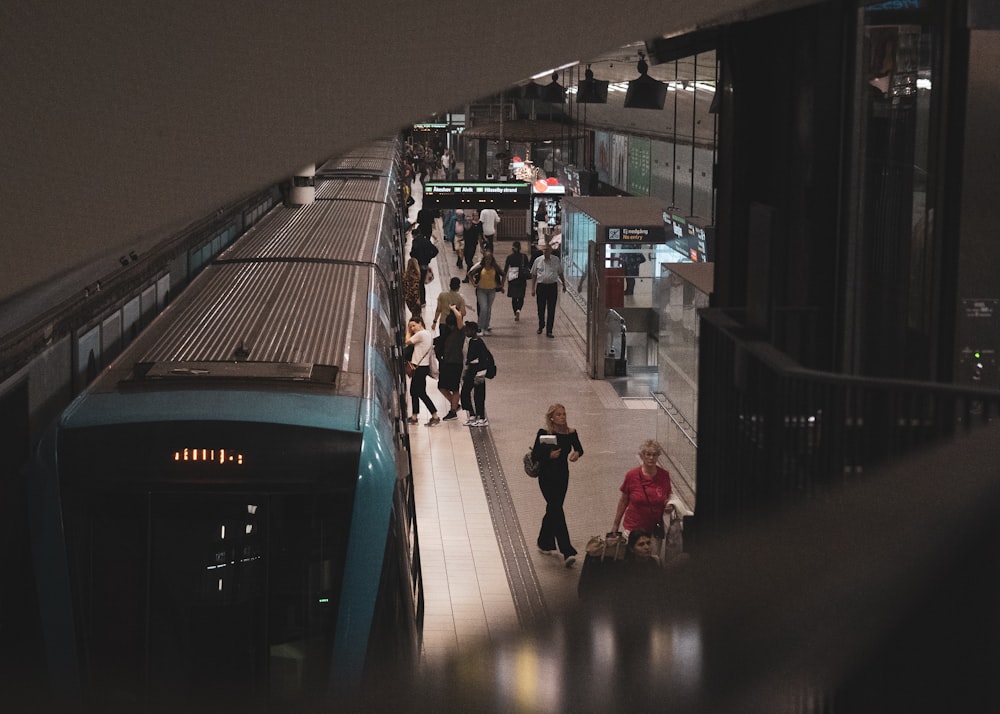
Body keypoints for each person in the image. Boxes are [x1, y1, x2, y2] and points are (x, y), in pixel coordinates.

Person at [532, 403, 583, 566]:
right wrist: (549, 455)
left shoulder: (571, 433)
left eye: (564, 414)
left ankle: (544, 541)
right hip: (546, 476)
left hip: (562, 476)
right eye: (559, 414)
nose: (562, 417)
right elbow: (535, 454)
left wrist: (576, 454)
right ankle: (567, 550)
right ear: (552, 418)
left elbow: (579, 449)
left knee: (553, 509)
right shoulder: (544, 433)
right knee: (556, 509)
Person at [612, 439, 673, 562]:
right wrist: (615, 524)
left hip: (654, 529)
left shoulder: (664, 475)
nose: (651, 458)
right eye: (648, 454)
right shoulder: (632, 475)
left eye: (654, 454)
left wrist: (669, 506)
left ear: (658, 456)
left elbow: (668, 496)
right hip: (633, 529)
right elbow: (623, 500)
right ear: (642, 456)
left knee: (652, 560)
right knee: (631, 562)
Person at [404, 316, 440, 426]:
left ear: (420, 323)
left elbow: (407, 341)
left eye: (414, 325)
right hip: (421, 367)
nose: (412, 328)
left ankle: (435, 416)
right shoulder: (427, 333)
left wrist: (408, 331)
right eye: (411, 326)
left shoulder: (421, 334)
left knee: (420, 393)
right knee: (414, 391)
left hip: (419, 368)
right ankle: (414, 416)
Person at [460, 321, 493, 426]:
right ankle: (472, 414)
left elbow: (484, 358)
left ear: (473, 331)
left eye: (468, 330)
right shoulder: (471, 342)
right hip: (471, 369)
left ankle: (482, 417)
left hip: (479, 370)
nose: (466, 332)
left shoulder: (479, 343)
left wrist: (481, 373)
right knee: (465, 392)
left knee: (479, 395)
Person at [530, 240, 566, 338]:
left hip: (552, 287)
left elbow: (560, 273)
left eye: (548, 250)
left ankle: (549, 330)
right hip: (541, 287)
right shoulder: (538, 260)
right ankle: (541, 325)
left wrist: (564, 284)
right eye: (544, 250)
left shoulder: (556, 260)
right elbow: (534, 275)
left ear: (551, 251)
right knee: (541, 308)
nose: (546, 252)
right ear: (542, 251)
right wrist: (533, 288)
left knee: (551, 309)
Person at [436, 305, 466, 421]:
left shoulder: (460, 332)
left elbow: (459, 318)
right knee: (441, 386)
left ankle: (453, 410)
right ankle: (455, 404)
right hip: (446, 362)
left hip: (456, 362)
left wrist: (454, 309)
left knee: (454, 388)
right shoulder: (447, 334)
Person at [469, 251, 504, 333]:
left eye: (490, 259)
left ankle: (486, 326)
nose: (488, 261)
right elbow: (470, 274)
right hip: (481, 290)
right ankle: (480, 327)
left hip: (491, 290)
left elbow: (503, 274)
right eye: (486, 259)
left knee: (488, 309)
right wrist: (474, 283)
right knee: (483, 308)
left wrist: (501, 285)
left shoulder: (495, 267)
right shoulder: (480, 267)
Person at [503, 241, 531, 321]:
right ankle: (519, 309)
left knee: (514, 297)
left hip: (513, 278)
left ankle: (515, 312)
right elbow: (527, 267)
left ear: (513, 248)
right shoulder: (524, 256)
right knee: (521, 296)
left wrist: (503, 281)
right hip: (521, 278)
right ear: (520, 248)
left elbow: (505, 270)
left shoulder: (509, 257)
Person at [410, 231, 439, 306]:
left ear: (414, 235)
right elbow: (436, 251)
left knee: (417, 283)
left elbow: (412, 253)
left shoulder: (415, 241)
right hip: (425, 265)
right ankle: (422, 301)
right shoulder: (427, 241)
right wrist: (429, 257)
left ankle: (418, 300)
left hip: (417, 265)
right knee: (421, 283)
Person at [462, 212, 483, 280]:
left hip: (472, 245)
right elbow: (464, 236)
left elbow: (479, 236)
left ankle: (467, 277)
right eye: (466, 221)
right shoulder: (465, 228)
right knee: (467, 260)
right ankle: (474, 271)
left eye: (469, 221)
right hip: (466, 245)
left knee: (469, 260)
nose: (468, 222)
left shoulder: (474, 228)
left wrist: (481, 246)